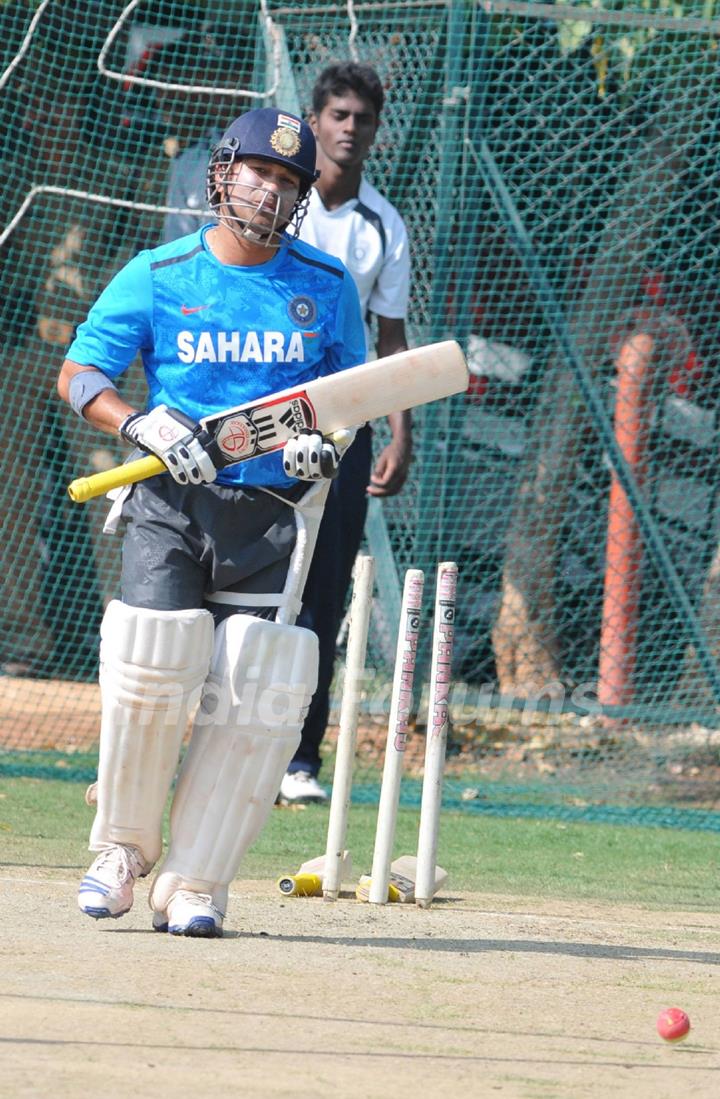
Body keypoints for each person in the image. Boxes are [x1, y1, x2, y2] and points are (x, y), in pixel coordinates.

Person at [56, 106, 366, 938]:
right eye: (260, 172)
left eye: (289, 182)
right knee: (152, 665)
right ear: (223, 174)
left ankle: (197, 878)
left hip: (270, 513)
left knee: (252, 691)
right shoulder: (161, 272)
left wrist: (324, 443)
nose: (271, 191)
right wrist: (136, 422)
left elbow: (352, 398)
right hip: (169, 499)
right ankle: (121, 847)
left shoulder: (325, 286)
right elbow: (81, 371)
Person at [277, 62, 413, 804]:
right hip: (262, 417)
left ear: (374, 128)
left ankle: (300, 759)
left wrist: (400, 433)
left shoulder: (383, 226)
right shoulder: (280, 207)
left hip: (343, 426)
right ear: (315, 119)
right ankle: (226, 738)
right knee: (251, 579)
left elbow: (391, 341)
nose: (349, 128)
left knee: (323, 592)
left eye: (362, 117)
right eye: (338, 115)